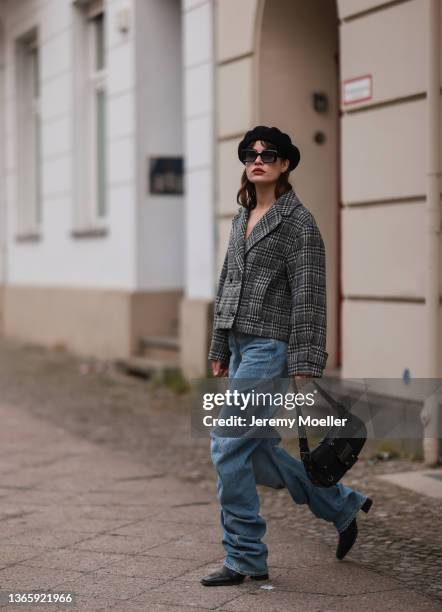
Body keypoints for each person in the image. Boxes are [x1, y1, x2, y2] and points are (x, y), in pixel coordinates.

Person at [201, 125, 372, 587]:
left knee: (226, 446)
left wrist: (304, 360)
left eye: (269, 154)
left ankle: (245, 556)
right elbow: (226, 284)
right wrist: (219, 345)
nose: (258, 159)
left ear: (285, 164)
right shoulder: (242, 216)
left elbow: (309, 295)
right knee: (254, 454)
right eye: (250, 153)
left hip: (270, 349)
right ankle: (341, 505)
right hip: (239, 347)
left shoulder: (299, 224)